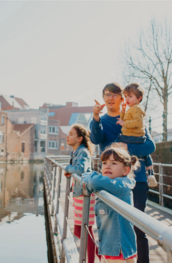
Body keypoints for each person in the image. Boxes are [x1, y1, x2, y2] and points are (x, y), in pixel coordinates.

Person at [90, 83, 155, 263]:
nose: (110, 98)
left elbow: (150, 146)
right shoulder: (101, 121)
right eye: (106, 95)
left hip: (137, 179)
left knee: (138, 227)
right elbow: (95, 139)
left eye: (114, 94)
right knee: (111, 227)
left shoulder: (134, 115)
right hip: (110, 182)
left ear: (121, 98)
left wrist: (128, 147)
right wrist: (95, 117)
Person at [82, 146, 139, 263]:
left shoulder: (120, 185)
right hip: (110, 248)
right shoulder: (111, 183)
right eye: (104, 163)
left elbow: (93, 182)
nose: (107, 166)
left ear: (126, 170)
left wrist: (88, 177)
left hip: (119, 250)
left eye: (114, 163)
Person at [64, 123, 99, 263]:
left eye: (71, 134)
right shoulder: (75, 152)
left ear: (79, 138)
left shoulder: (83, 151)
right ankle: (98, 254)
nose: (67, 136)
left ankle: (94, 259)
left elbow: (81, 170)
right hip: (79, 193)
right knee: (79, 231)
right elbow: (76, 170)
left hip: (85, 194)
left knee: (86, 230)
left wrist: (68, 168)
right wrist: (70, 172)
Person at [116, 83, 157, 188]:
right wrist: (123, 112)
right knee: (145, 154)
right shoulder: (132, 109)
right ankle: (151, 173)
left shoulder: (137, 108)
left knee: (117, 144)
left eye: (130, 96)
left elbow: (137, 122)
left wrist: (124, 124)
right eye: (125, 97)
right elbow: (125, 119)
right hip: (136, 137)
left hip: (132, 136)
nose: (127, 99)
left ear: (139, 98)